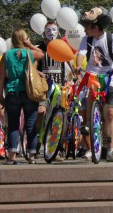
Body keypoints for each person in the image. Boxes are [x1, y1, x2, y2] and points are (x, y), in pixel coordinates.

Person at [76, 6, 113, 162]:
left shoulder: (112, 38)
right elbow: (81, 54)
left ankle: (111, 150)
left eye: (87, 27)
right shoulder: (87, 39)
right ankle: (91, 147)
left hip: (109, 76)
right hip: (93, 77)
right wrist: (78, 66)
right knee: (90, 115)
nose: (85, 30)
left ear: (95, 27)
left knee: (109, 114)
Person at [0, 28, 44, 164]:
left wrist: (0, 95)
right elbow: (42, 54)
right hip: (29, 91)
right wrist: (29, 45)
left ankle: (12, 155)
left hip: (12, 90)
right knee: (31, 124)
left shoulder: (6, 55)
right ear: (25, 39)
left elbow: (0, 77)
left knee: (13, 124)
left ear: (12, 40)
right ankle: (32, 155)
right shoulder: (30, 53)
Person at [34, 21, 64, 149]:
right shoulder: (39, 47)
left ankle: (55, 146)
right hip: (44, 86)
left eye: (54, 30)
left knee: (58, 115)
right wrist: (38, 73)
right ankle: (35, 141)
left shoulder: (62, 46)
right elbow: (33, 66)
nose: (51, 33)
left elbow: (69, 62)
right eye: (48, 30)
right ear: (44, 32)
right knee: (41, 112)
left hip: (59, 86)